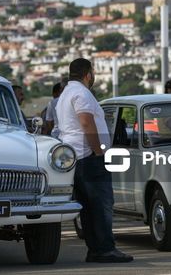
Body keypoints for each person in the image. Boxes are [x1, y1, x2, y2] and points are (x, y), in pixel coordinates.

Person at [56, 58, 133, 263]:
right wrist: (99, 151)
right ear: (88, 74)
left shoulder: (66, 94)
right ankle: (105, 249)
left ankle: (95, 249)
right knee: (102, 205)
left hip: (74, 156)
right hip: (89, 156)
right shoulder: (82, 93)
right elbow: (86, 123)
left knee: (89, 208)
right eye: (93, 71)